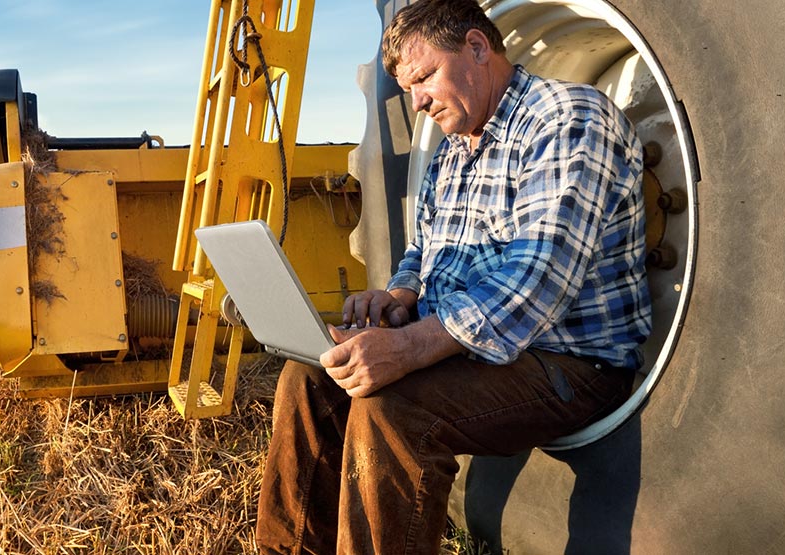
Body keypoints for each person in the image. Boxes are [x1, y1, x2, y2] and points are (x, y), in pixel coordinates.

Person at [254, 0, 652, 553]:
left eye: (423, 77)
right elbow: (425, 246)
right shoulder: (453, 152)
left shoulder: (567, 120)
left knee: (390, 408)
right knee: (309, 381)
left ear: (476, 47)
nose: (416, 101)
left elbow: (535, 283)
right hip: (476, 349)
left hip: (568, 361)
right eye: (408, 86)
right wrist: (399, 295)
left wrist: (410, 347)